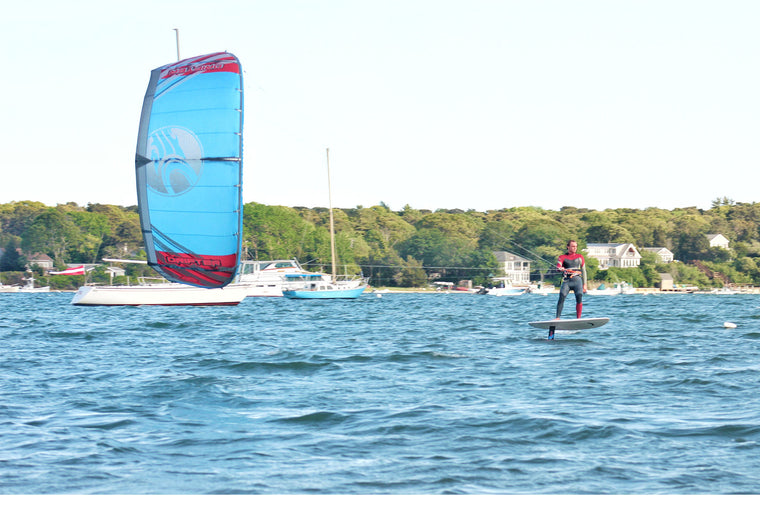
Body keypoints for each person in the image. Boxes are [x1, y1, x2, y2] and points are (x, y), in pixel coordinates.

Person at [556, 240, 587, 319]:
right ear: (568, 247)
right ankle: (557, 317)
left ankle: (578, 318)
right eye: (573, 246)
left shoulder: (580, 257)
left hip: (577, 280)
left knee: (579, 297)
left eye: (576, 247)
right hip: (567, 281)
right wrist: (561, 268)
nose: (574, 248)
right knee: (562, 296)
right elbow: (558, 266)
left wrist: (585, 284)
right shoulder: (562, 257)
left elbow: (584, 271)